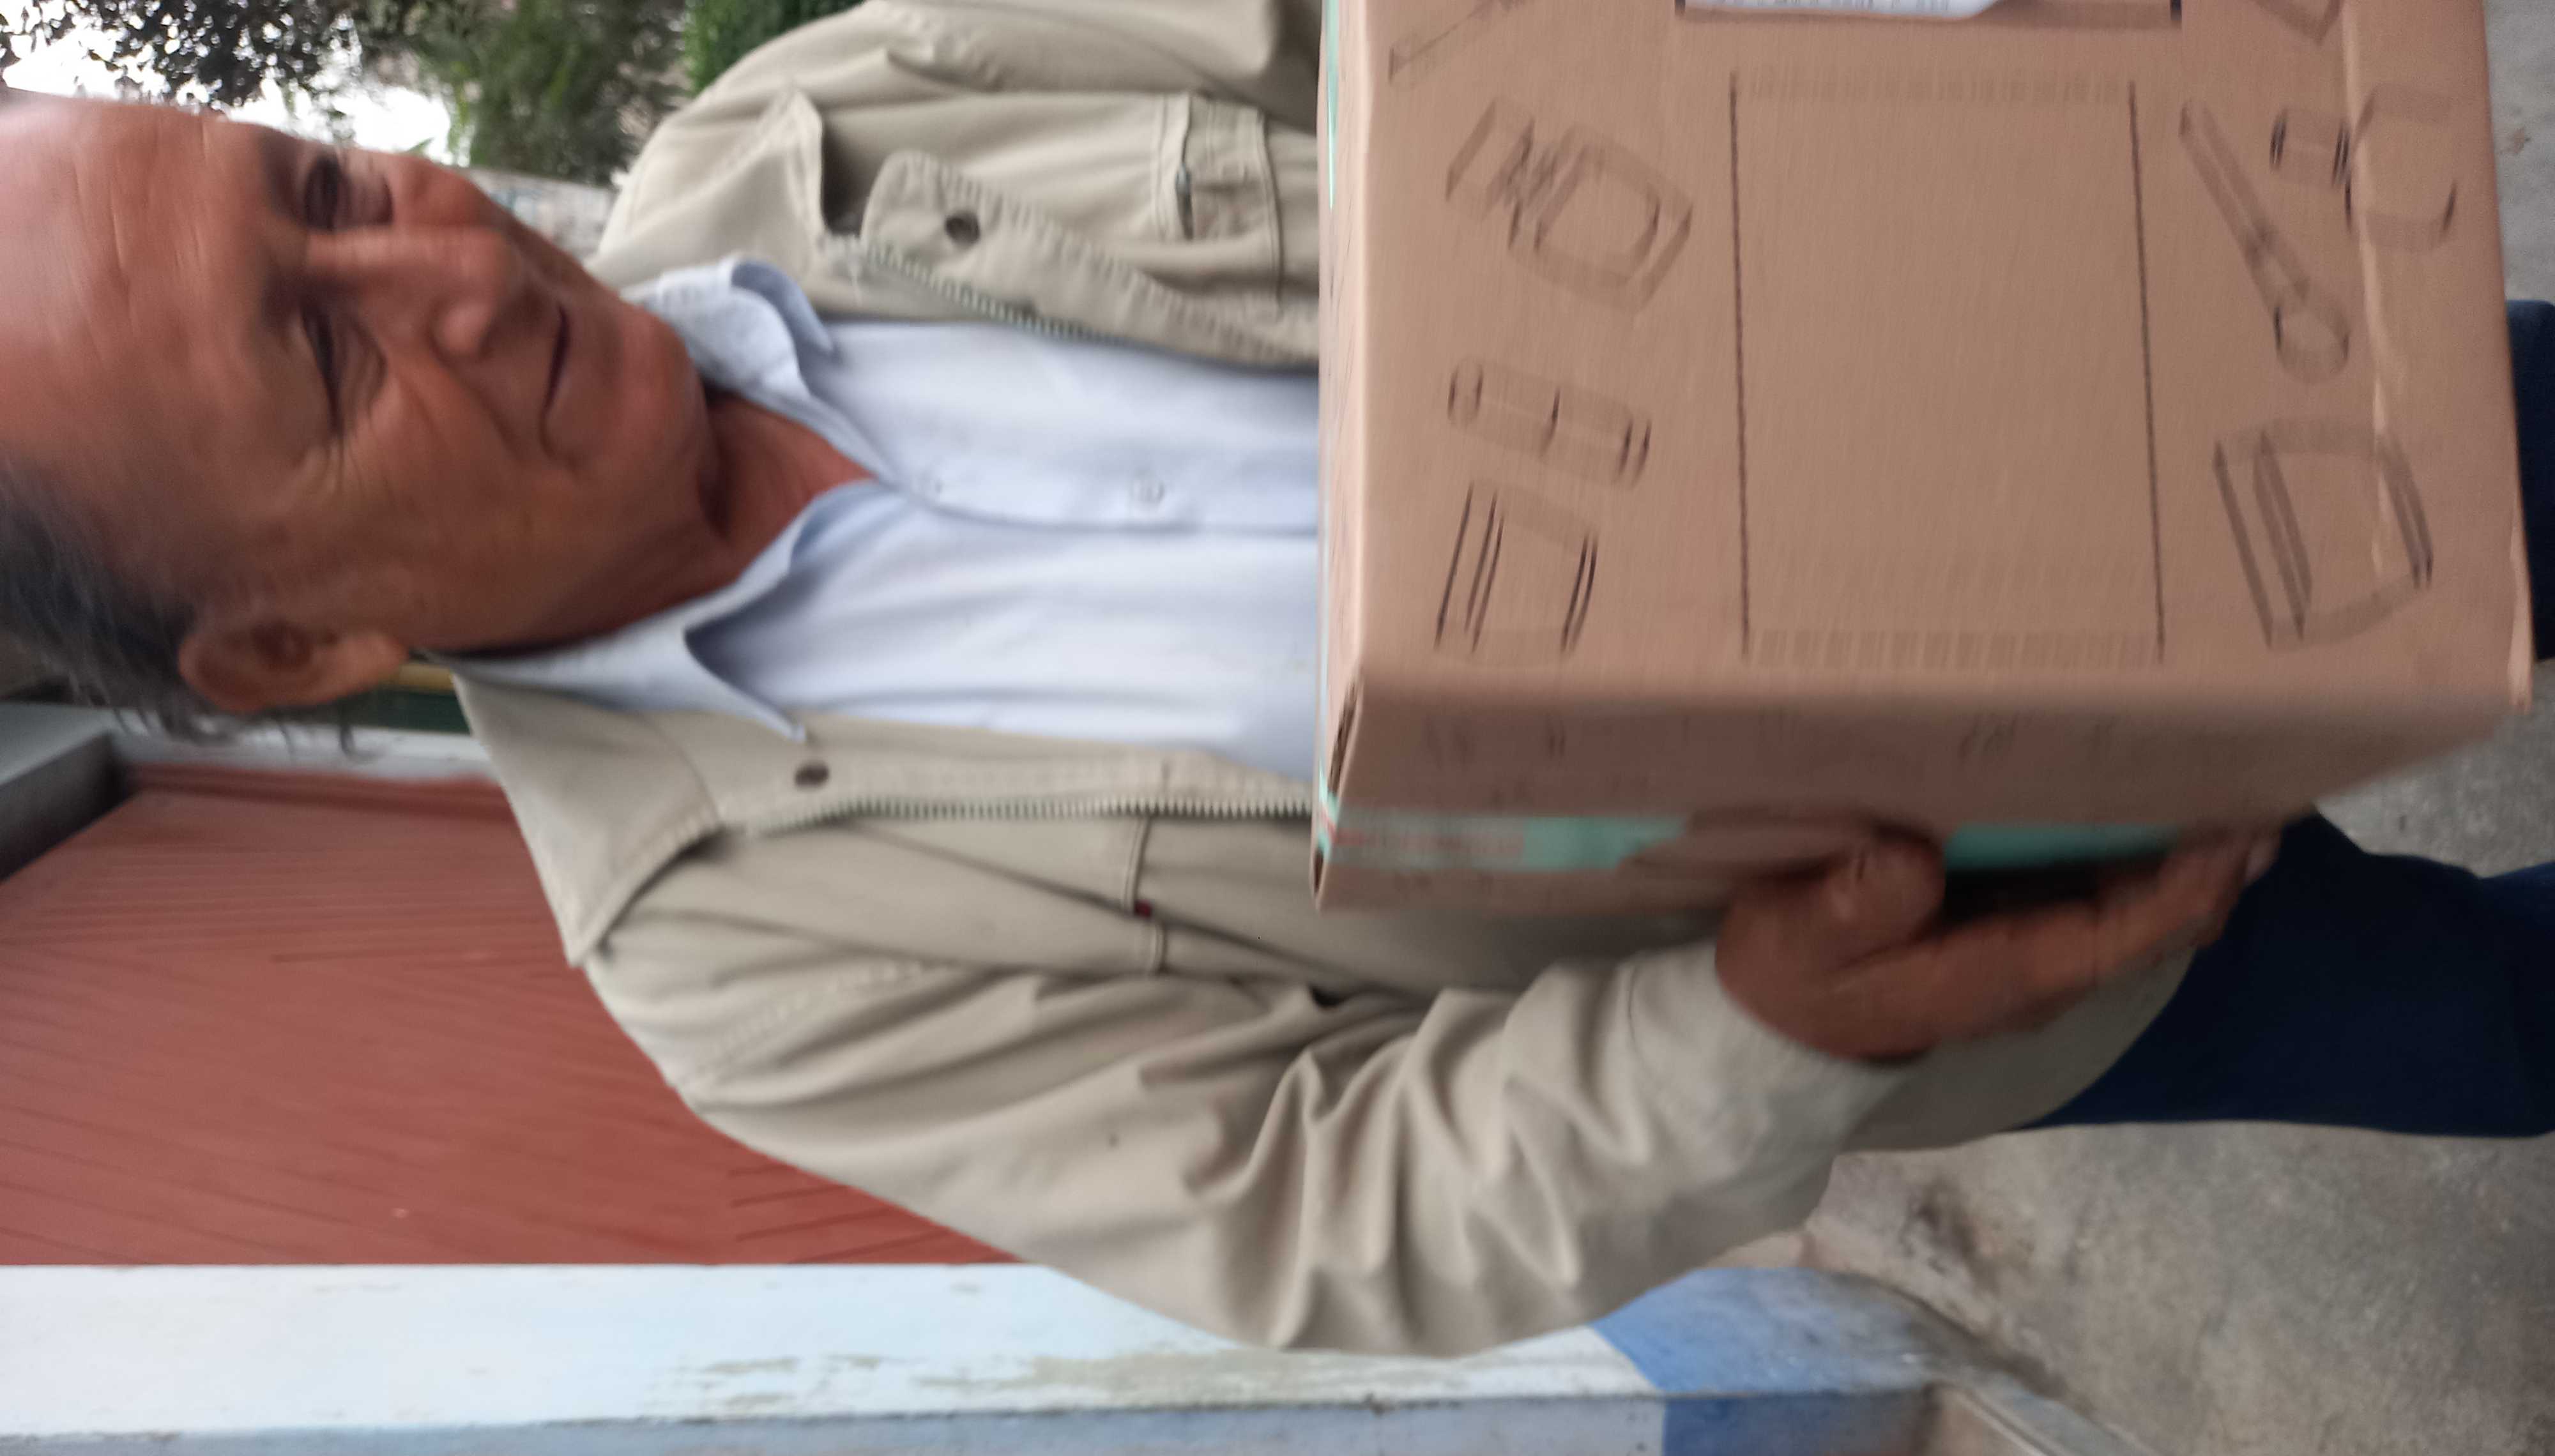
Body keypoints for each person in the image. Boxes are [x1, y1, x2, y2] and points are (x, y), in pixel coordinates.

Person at [0, 3, 2546, 1354]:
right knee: (2506, 1028)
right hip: (2022, 947)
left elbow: (1437, 47)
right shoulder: (735, 961)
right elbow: (1331, 1208)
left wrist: (1937, 60)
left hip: (2092, 396)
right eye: (325, 356)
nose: (445, 261)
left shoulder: (830, 123)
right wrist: (1771, 1025)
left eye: (327, 186)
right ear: (301, 648)